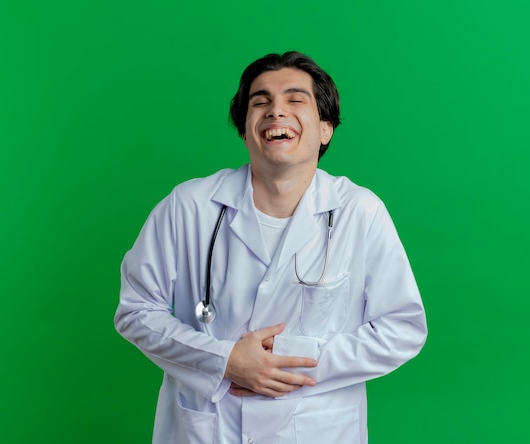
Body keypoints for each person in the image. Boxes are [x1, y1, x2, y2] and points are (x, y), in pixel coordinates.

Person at [115, 51, 427, 444]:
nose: (275, 111)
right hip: (209, 428)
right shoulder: (189, 205)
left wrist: (288, 364)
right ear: (245, 130)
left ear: (325, 128)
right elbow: (136, 310)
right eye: (260, 102)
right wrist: (224, 361)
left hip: (317, 428)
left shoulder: (359, 211)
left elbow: (403, 327)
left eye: (295, 100)